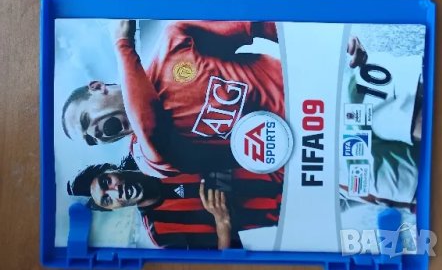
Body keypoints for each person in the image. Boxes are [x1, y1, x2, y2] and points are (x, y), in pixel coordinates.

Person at [62, 21, 285, 176]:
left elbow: (258, 26)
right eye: (91, 141)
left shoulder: (175, 40)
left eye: (85, 120)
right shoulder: (147, 160)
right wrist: (122, 44)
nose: (95, 135)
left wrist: (301, 48)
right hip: (296, 151)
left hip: (300, 92)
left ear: (98, 87)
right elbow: (150, 127)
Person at [67, 156, 283, 250]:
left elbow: (221, 145)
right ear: (113, 208)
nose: (116, 191)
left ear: (112, 169)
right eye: (107, 199)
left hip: (286, 170)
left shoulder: (161, 154)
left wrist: (220, 179)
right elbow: (223, 261)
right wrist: (222, 223)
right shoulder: (162, 235)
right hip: (285, 223)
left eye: (107, 182)